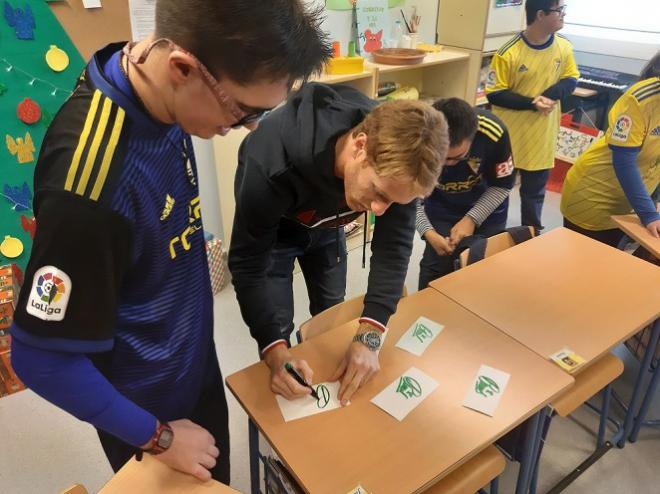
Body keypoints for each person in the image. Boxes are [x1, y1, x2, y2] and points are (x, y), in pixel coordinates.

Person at [10, 0, 331, 483]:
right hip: (144, 409)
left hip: (191, 361)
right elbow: (40, 358)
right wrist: (158, 436)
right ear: (182, 68)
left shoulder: (161, 97)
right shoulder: (89, 183)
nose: (248, 128)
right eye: (244, 111)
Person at [228, 83, 448, 406]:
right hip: (276, 234)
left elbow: (394, 247)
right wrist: (275, 352)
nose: (378, 211)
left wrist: (369, 336)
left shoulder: (400, 161)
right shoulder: (271, 157)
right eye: (378, 193)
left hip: (328, 227)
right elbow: (248, 264)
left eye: (393, 202)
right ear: (360, 146)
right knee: (278, 323)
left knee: (331, 314)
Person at [486, 0, 579, 234]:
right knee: (497, 191)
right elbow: (495, 93)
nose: (563, 15)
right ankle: (488, 237)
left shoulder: (564, 47)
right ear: (540, 14)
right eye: (559, 11)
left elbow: (570, 79)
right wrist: (532, 103)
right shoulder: (508, 52)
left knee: (534, 195)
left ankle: (531, 235)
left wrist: (548, 96)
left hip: (542, 138)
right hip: (508, 141)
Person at [561, 52, 660, 245]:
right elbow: (624, 162)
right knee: (583, 270)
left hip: (633, 202)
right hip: (594, 197)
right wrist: (649, 213)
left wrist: (653, 201)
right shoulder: (640, 100)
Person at [416, 98, 515, 289]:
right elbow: (409, 198)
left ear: (473, 138)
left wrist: (471, 219)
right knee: (435, 268)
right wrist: (427, 231)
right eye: (440, 157)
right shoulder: (418, 134)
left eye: (457, 158)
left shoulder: (493, 133)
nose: (447, 164)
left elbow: (502, 186)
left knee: (482, 269)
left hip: (488, 208)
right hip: (440, 207)